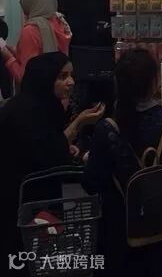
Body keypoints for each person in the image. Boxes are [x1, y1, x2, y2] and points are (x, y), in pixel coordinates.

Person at [82, 49, 162, 276]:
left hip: (121, 236)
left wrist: (91, 159)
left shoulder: (107, 130)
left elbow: (91, 183)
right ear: (155, 83)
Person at [0, 53, 104, 264]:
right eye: (62, 76)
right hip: (19, 202)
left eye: (71, 75)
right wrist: (79, 123)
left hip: (34, 200)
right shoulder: (27, 112)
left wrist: (66, 145)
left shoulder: (43, 105)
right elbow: (48, 154)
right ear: (45, 79)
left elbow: (50, 144)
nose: (71, 82)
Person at [1, 0, 72, 87]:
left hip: (40, 93)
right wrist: (17, 52)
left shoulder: (31, 31)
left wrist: (8, 58)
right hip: (58, 90)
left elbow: (26, 78)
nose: (20, 2)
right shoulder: (60, 21)